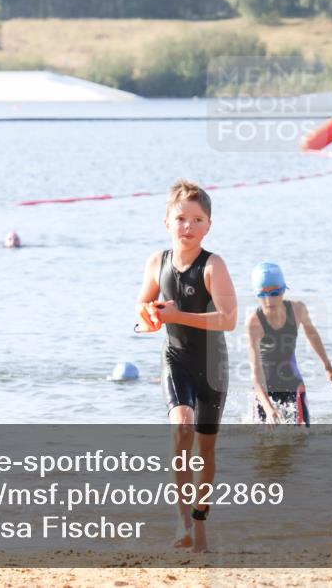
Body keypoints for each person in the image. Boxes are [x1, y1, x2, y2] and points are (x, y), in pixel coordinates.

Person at [135, 179, 237, 553]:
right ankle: (180, 518)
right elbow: (142, 306)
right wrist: (149, 317)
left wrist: (179, 314)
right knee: (182, 426)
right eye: (181, 219)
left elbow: (228, 320)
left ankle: (200, 526)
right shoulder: (156, 262)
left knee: (206, 452)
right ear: (166, 222)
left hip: (213, 364)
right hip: (176, 357)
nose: (188, 227)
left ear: (208, 225)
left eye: (197, 219)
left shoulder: (214, 266)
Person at [245, 262, 332, 428]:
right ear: (256, 294)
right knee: (263, 448)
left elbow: (311, 333)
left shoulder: (298, 310)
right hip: (264, 390)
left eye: (275, 292)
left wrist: (328, 366)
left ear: (283, 289)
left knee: (301, 440)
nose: (269, 300)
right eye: (263, 294)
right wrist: (268, 408)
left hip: (293, 384)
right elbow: (255, 372)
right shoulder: (254, 323)